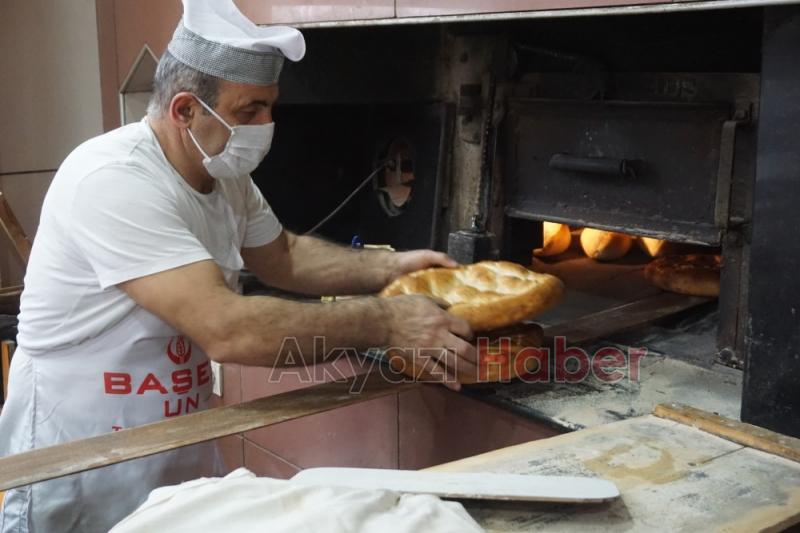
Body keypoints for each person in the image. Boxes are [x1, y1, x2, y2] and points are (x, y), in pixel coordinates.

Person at [0, 1, 477, 531]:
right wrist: (389, 323)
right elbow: (226, 329)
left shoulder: (223, 174)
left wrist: (391, 268)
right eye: (249, 110)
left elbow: (285, 257)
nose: (266, 125)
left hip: (177, 449)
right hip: (83, 462)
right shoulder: (112, 181)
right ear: (185, 110)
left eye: (271, 108)